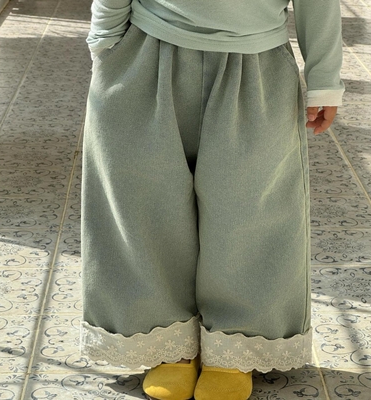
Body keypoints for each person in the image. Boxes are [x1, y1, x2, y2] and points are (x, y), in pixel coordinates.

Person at [79, 0, 344, 399]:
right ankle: (164, 343)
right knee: (142, 203)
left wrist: (324, 76)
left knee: (250, 210)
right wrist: (106, 42)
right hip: (146, 49)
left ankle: (235, 348)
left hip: (257, 64)